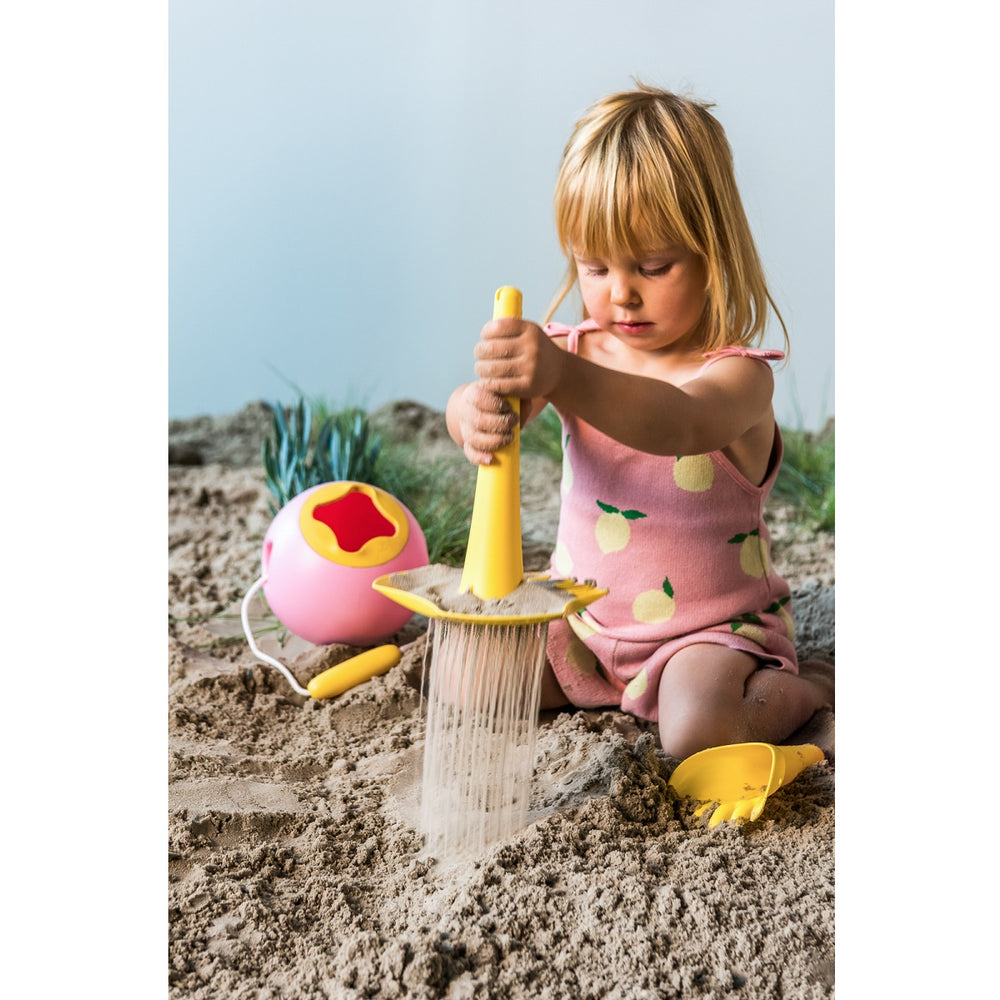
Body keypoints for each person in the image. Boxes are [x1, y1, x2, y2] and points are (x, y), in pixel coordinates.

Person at [445, 84, 833, 759]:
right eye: (593, 265)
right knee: (463, 673)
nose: (620, 292)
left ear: (713, 252)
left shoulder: (737, 377)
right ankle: (601, 685)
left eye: (653, 266)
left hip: (707, 636)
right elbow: (494, 409)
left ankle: (815, 686)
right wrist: (472, 412)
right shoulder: (574, 351)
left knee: (697, 733)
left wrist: (564, 376)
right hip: (584, 625)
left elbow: (680, 423)